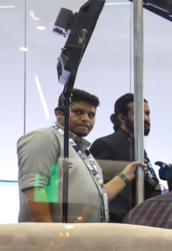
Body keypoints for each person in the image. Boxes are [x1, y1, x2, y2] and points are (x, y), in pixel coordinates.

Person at [17, 89, 144, 223]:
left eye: (91, 115)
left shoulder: (83, 152)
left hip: (80, 234)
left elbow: (99, 197)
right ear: (59, 113)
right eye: (78, 112)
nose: (85, 118)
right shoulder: (45, 137)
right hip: (53, 234)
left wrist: (126, 175)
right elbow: (35, 189)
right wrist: (50, 233)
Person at [90, 93, 162, 223]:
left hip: (141, 221)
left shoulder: (136, 146)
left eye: (147, 114)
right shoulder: (106, 144)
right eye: (139, 114)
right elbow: (96, 192)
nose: (145, 118)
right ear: (122, 118)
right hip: (118, 224)